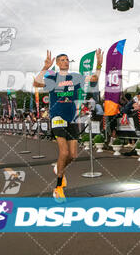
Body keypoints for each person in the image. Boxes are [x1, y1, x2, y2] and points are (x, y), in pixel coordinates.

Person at [33, 49, 102, 203]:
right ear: (57, 63)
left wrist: (99, 64)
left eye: (67, 59)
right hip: (57, 118)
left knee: (72, 156)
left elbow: (94, 80)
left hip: (72, 119)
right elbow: (36, 83)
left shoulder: (76, 77)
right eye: (62, 60)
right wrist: (45, 68)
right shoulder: (53, 77)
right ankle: (58, 188)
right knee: (63, 153)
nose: (65, 61)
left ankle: (59, 168)